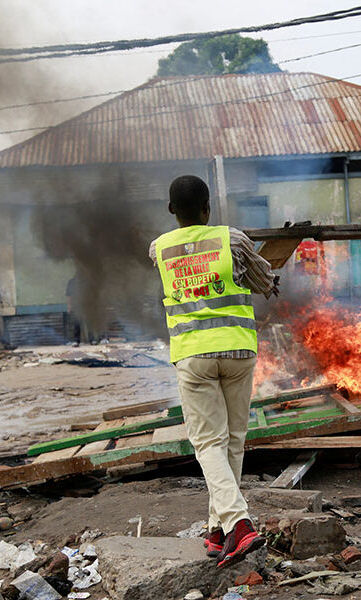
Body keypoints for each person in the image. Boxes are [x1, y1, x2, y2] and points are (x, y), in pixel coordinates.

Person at [149, 175, 278, 569]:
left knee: (208, 444)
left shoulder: (158, 249)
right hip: (238, 351)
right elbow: (264, 281)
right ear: (208, 207)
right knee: (232, 441)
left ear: (172, 210)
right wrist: (270, 281)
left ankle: (236, 525)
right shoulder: (234, 239)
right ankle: (220, 528)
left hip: (193, 356)